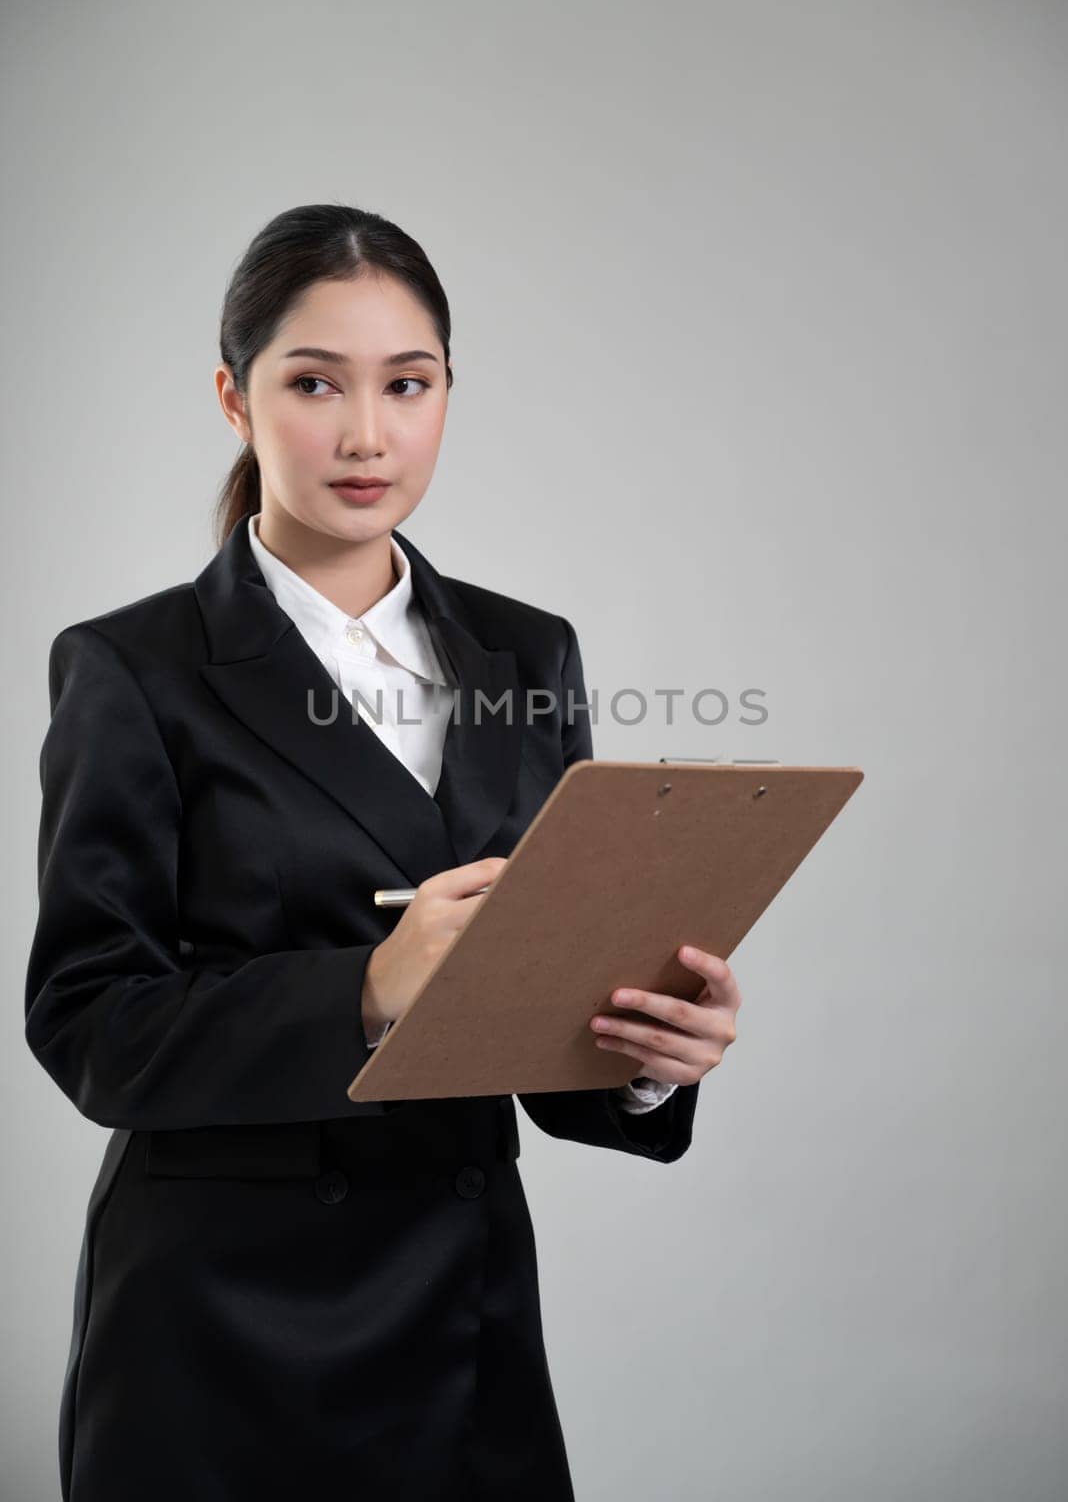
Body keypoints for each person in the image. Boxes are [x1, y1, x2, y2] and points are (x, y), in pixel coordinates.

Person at [24, 203, 741, 1501]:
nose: (366, 434)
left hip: (465, 1328)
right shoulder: (134, 669)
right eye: (315, 383)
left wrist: (645, 1053)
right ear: (235, 397)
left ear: (448, 393)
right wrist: (364, 987)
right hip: (220, 1332)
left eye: (406, 384)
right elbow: (88, 1022)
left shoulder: (528, 653)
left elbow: (536, 1023)